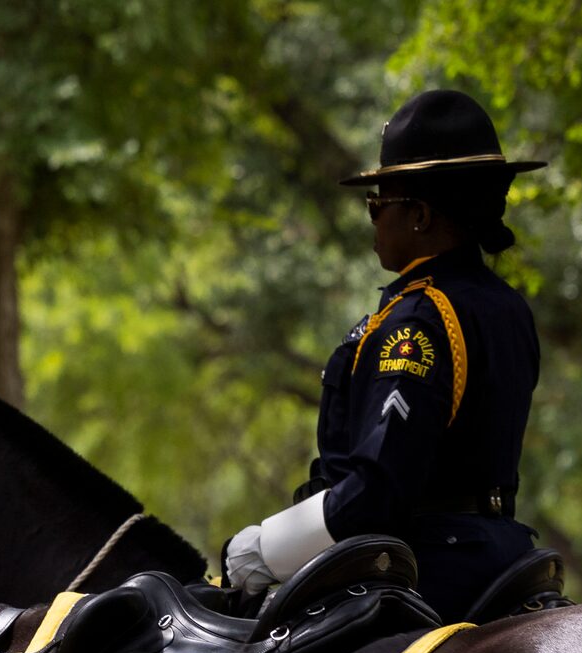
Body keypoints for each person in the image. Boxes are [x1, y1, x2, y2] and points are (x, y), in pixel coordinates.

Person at [223, 88, 546, 622]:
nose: (372, 220)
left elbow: (378, 491)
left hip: (421, 567)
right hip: (503, 551)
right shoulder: (506, 306)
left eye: (379, 205)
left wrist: (264, 547)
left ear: (419, 215)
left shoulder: (418, 320)